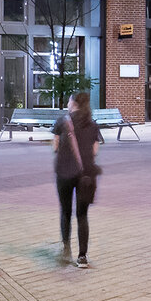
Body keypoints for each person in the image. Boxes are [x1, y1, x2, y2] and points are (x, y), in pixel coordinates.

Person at [52, 91, 102, 266]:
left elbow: (55, 146)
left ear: (73, 103)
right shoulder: (93, 124)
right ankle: (82, 257)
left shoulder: (62, 122)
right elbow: (95, 150)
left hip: (64, 173)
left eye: (69, 100)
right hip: (86, 175)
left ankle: (66, 250)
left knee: (65, 212)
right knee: (82, 215)